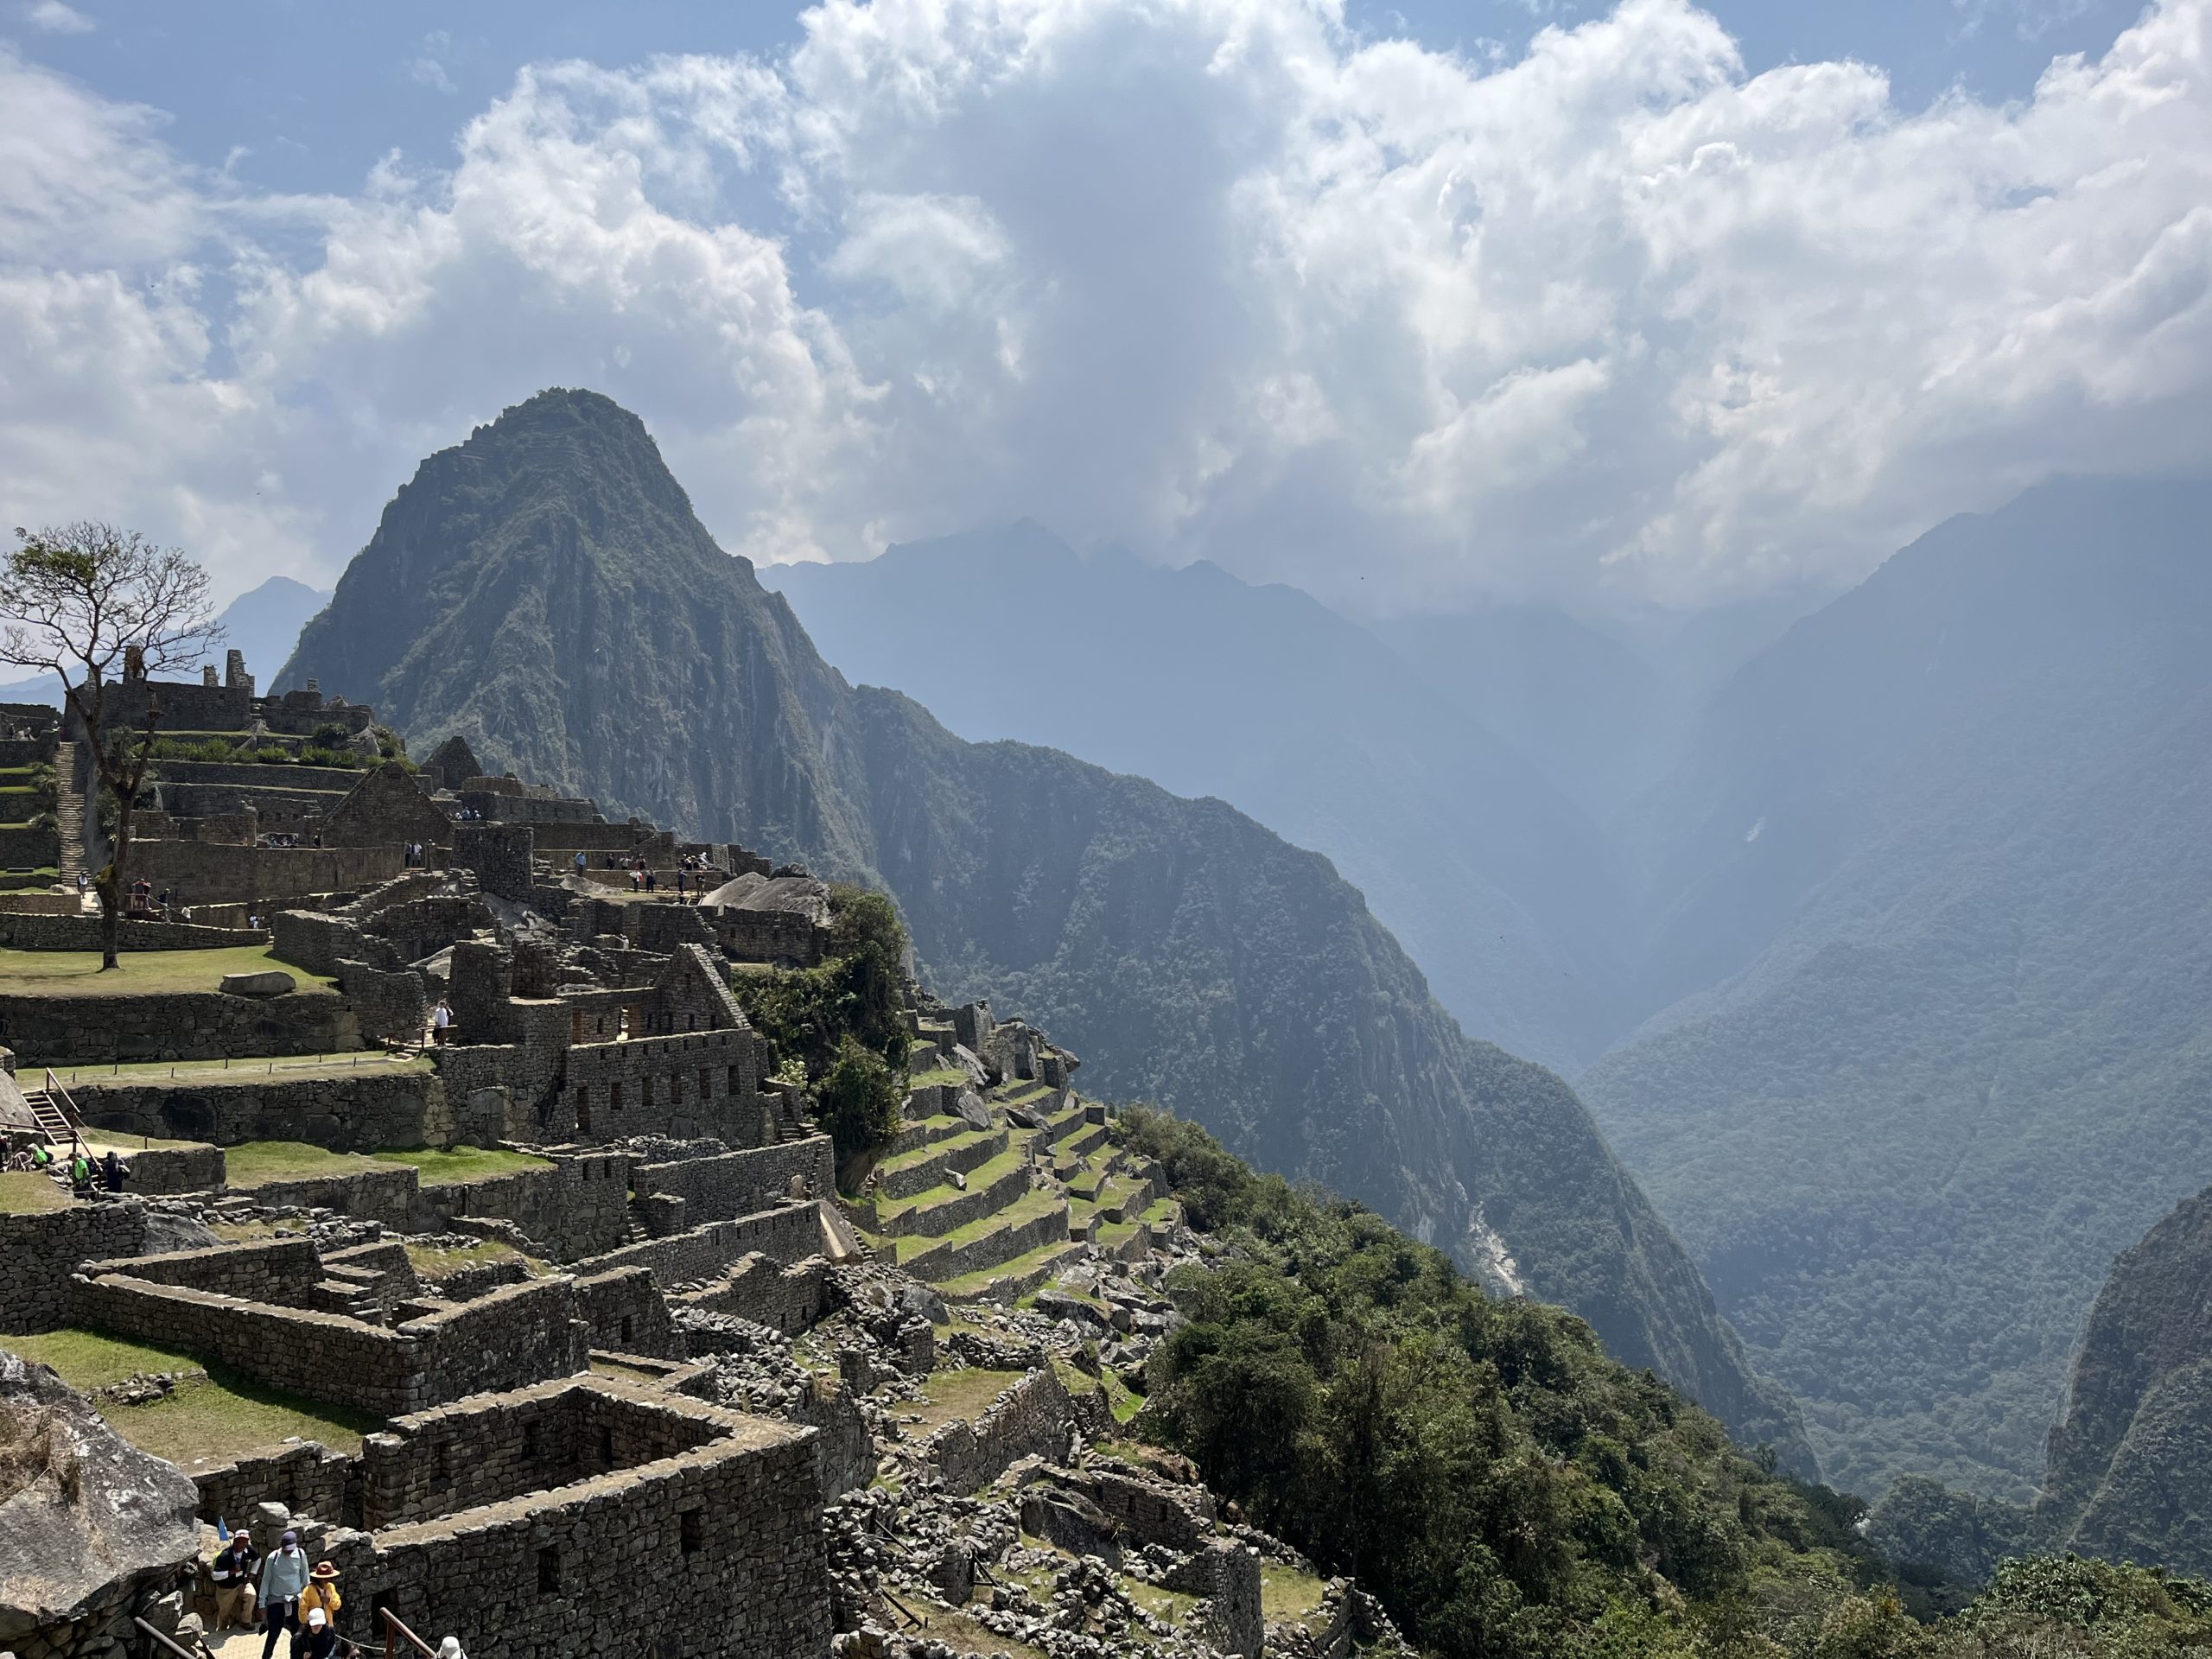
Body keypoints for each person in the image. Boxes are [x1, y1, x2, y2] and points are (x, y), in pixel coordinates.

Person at [259, 1529, 309, 1659]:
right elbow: (266, 1580)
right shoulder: (273, 1557)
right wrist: (262, 1603)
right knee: (273, 1634)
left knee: (297, 1635)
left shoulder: (300, 1554)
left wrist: (307, 1601)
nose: (289, 1552)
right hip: (277, 1601)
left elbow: (305, 1578)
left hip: (295, 1600)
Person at [209, 1531, 260, 1630]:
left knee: (251, 1595)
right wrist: (231, 1572)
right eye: (238, 1541)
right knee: (224, 1611)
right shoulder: (225, 1555)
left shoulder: (248, 1550)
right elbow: (215, 1576)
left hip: (242, 1583)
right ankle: (222, 1630)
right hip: (226, 1588)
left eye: (243, 1542)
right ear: (234, 1542)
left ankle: (246, 1621)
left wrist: (252, 1573)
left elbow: (257, 1559)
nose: (240, 1544)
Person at [293, 1560, 341, 1656]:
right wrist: (313, 1624)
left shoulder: (331, 1587)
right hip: (314, 1631)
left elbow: (337, 1605)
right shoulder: (308, 1590)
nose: (327, 1580)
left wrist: (329, 1600)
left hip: (328, 1629)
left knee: (328, 1651)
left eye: (328, 1578)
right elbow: (302, 1612)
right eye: (324, 1578)